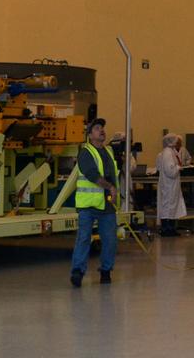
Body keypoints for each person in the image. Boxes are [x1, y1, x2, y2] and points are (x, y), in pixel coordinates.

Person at [70, 118, 120, 287]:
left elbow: (113, 175)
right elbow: (92, 174)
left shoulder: (109, 152)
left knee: (110, 240)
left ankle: (106, 270)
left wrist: (115, 192)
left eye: (102, 128)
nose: (102, 130)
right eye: (97, 128)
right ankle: (77, 272)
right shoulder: (86, 153)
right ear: (90, 135)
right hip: (88, 205)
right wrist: (110, 187)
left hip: (107, 205)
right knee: (84, 238)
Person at [156, 133, 188, 236]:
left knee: (172, 206)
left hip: (172, 185)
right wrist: (178, 168)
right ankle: (166, 228)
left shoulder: (171, 152)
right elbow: (170, 171)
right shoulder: (167, 153)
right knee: (167, 206)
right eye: (178, 142)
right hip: (169, 185)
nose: (180, 144)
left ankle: (171, 228)